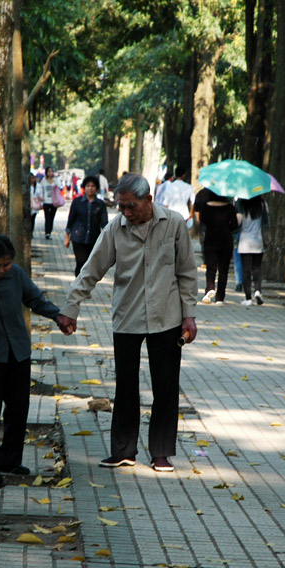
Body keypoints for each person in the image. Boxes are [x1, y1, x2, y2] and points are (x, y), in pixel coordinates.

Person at [57, 173, 199, 473]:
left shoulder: (173, 224)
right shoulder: (114, 229)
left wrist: (189, 315)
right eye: (121, 206)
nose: (126, 212)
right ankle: (123, 450)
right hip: (127, 316)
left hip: (168, 318)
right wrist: (71, 307)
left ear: (149, 200)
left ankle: (161, 452)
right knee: (125, 385)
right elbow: (91, 269)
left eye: (131, 206)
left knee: (166, 386)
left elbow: (187, 272)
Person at [0, 235, 71, 487]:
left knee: (18, 409)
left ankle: (10, 459)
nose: (1, 270)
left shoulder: (16, 275)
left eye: (6, 264)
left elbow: (35, 299)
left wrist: (58, 316)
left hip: (18, 353)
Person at [195, 189, 237, 304]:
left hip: (210, 240)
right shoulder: (230, 208)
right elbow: (235, 225)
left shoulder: (206, 207)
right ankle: (220, 296)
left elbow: (203, 222)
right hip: (226, 241)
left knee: (211, 267)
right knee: (224, 269)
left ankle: (210, 288)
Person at [65, 175, 109, 276]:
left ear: (96, 188)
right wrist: (67, 236)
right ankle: (78, 286)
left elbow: (104, 223)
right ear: (84, 187)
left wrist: (107, 239)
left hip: (93, 238)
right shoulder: (77, 202)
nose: (90, 188)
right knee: (80, 263)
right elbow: (71, 219)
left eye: (92, 186)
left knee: (90, 265)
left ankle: (86, 288)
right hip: (78, 238)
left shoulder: (100, 204)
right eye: (88, 186)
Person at [235, 196, 268, 306]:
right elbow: (267, 221)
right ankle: (258, 291)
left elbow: (238, 222)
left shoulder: (242, 205)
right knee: (257, 268)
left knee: (246, 270)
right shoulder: (262, 204)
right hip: (258, 240)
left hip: (245, 241)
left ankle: (248, 298)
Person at [37, 168, 61, 239]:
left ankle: (49, 231)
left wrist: (55, 180)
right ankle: (47, 232)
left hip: (54, 202)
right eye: (48, 171)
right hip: (46, 201)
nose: (50, 173)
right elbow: (41, 189)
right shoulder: (44, 180)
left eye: (51, 171)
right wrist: (41, 200)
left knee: (52, 217)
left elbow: (59, 187)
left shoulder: (56, 180)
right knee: (47, 217)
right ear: (46, 173)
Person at [29, 173, 41, 239]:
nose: (32, 179)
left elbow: (40, 195)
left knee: (32, 219)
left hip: (35, 205)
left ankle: (31, 231)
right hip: (29, 204)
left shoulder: (38, 186)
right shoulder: (26, 186)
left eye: (33, 178)